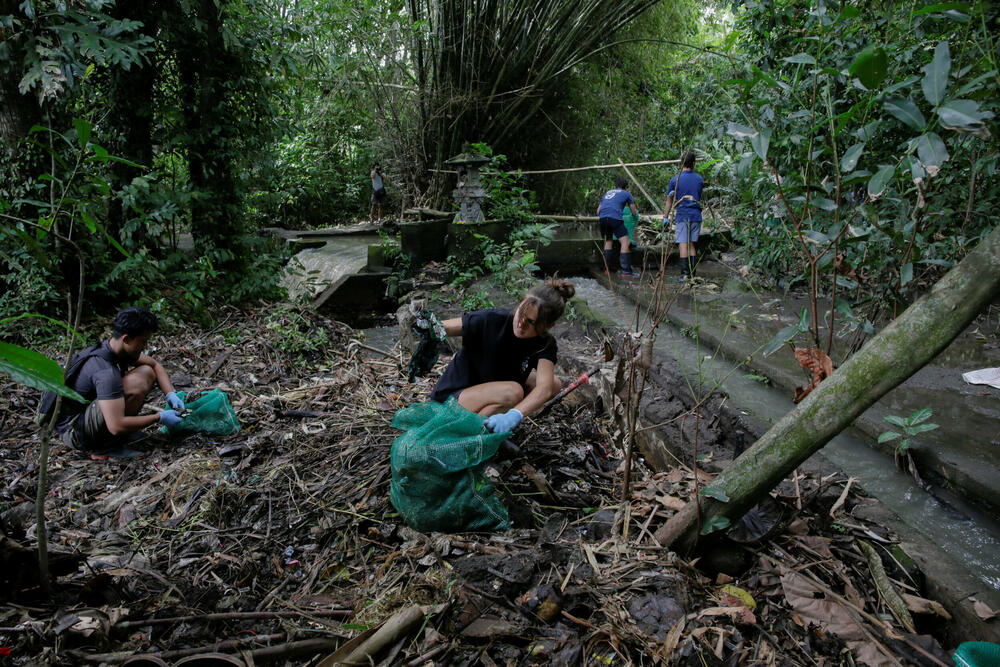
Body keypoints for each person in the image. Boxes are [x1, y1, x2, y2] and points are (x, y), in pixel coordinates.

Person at [429, 279, 575, 432]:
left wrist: (515, 414)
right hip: (452, 399)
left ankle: (489, 424)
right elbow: (442, 327)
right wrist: (426, 326)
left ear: (548, 326)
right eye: (521, 313)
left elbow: (545, 388)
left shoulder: (544, 344)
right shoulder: (491, 319)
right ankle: (470, 432)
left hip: (492, 391)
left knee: (554, 383)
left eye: (531, 322)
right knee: (513, 391)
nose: (521, 323)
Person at [52, 307, 185, 458]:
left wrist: (170, 394)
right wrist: (159, 417)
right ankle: (105, 446)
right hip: (75, 431)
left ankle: (116, 437)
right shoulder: (105, 372)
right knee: (135, 383)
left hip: (87, 415)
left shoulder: (114, 348)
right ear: (126, 339)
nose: (145, 347)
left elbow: (155, 365)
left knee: (146, 372)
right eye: (143, 341)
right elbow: (116, 425)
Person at [662, 152, 704, 282]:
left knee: (683, 244)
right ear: (693, 163)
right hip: (696, 214)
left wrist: (666, 216)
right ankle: (692, 274)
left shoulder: (675, 179)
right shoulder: (699, 179)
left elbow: (669, 200)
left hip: (683, 214)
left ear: (682, 163)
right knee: (691, 244)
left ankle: (684, 275)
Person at [597, 177, 639, 278]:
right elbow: (633, 212)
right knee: (625, 242)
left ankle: (607, 269)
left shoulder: (608, 193)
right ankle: (626, 271)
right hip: (614, 218)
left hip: (602, 219)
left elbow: (598, 211)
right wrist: (632, 217)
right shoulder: (626, 194)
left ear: (616, 186)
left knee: (608, 241)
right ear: (626, 187)